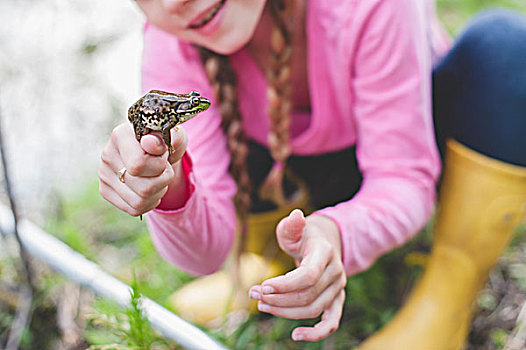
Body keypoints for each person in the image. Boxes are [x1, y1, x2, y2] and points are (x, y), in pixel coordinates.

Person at [98, 0, 526, 346]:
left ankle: (444, 300)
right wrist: (170, 188)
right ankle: (274, 262)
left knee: (504, 50)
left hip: (407, 153)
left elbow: (403, 180)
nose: (174, 2)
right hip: (293, 177)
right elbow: (204, 254)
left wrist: (339, 231)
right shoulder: (174, 42)